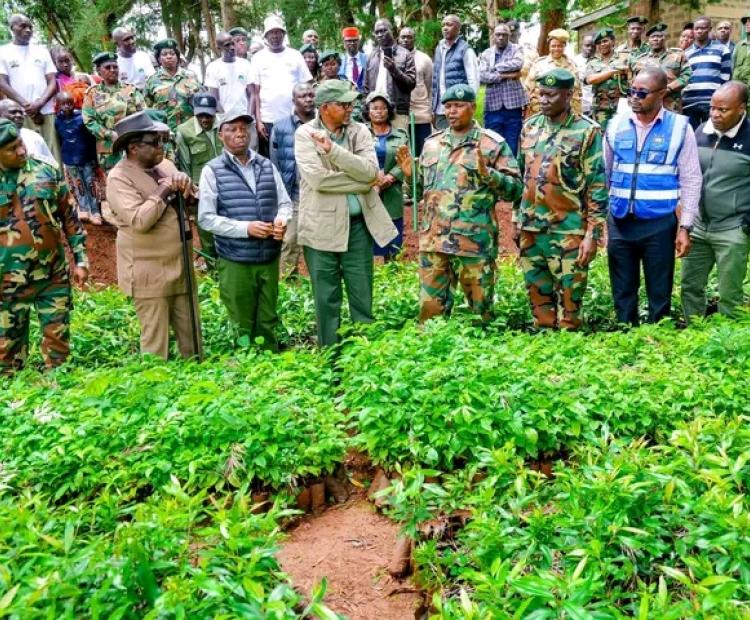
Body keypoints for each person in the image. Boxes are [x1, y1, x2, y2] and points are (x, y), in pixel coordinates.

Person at [397, 84, 522, 323]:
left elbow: (516, 190)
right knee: (430, 314)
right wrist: (410, 175)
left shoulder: (491, 144)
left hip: (473, 243)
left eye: (458, 106)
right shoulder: (432, 144)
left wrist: (489, 176)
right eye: (448, 106)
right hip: (434, 242)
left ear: (473, 108)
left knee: (480, 314)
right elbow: (423, 188)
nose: (452, 111)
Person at [295, 80, 397, 347]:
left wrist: (333, 151)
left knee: (362, 296)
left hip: (358, 227)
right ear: (324, 107)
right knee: (326, 299)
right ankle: (331, 357)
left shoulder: (359, 131)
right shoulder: (304, 134)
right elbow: (318, 180)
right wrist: (363, 183)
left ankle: (364, 355)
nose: (350, 107)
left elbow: (371, 171)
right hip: (320, 229)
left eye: (351, 103)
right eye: (343, 104)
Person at [604, 67, 702, 326]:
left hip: (659, 224)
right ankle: (626, 337)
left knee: (660, 291)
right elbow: (604, 173)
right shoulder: (615, 126)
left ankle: (659, 340)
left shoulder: (680, 128)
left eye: (642, 93)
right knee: (622, 291)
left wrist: (685, 227)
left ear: (661, 94)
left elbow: (691, 179)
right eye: (631, 91)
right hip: (620, 220)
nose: (634, 97)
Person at [515, 68, 607, 330]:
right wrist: (515, 218)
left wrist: (592, 233)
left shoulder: (586, 132)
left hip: (568, 230)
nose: (543, 100)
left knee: (570, 301)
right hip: (531, 228)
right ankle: (543, 343)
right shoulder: (529, 128)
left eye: (550, 95)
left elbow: (597, 186)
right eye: (540, 94)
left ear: (568, 95)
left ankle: (568, 350)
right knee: (537, 295)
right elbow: (523, 178)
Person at [107, 111, 201, 359]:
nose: (162, 146)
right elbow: (139, 221)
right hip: (149, 272)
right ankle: (158, 390)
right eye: (155, 141)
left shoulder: (166, 166)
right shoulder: (118, 178)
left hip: (181, 266)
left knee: (192, 338)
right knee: (156, 344)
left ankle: (197, 384)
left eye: (162, 140)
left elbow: (191, 204)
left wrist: (189, 190)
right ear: (134, 148)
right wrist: (164, 188)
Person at [0, 118, 88, 375]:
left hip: (52, 276)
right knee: (6, 357)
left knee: (58, 350)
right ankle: (15, 405)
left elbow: (70, 219)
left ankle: (59, 393)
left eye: (20, 144)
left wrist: (81, 260)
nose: (20, 151)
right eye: (11, 149)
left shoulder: (46, 172)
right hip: (6, 284)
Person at [198, 112, 292, 352]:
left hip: (268, 257)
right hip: (236, 258)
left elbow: (284, 203)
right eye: (232, 129)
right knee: (241, 319)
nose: (240, 134)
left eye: (244, 129)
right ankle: (245, 364)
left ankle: (270, 363)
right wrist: (246, 229)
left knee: (268, 315)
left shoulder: (266, 165)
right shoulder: (212, 170)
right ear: (221, 136)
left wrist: (281, 220)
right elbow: (206, 219)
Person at [681, 81, 750, 320]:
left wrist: (746, 224)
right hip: (698, 226)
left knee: (730, 293)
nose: (715, 114)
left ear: (742, 109)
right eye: (712, 108)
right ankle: (693, 335)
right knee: (690, 286)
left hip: (732, 229)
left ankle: (728, 344)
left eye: (723, 110)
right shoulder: (701, 131)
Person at [249, 16, 313, 157]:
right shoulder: (258, 58)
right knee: (271, 159)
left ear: (283, 34)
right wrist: (258, 121)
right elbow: (256, 93)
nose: (275, 36)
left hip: (293, 117)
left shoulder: (295, 55)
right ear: (266, 36)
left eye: (278, 32)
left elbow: (307, 85)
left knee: (295, 157)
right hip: (268, 120)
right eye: (271, 33)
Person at [0, 14, 60, 163]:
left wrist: (39, 104)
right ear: (12, 28)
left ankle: (58, 186)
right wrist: (27, 106)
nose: (28, 30)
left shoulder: (42, 51)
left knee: (53, 155)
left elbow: (52, 81)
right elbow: (2, 82)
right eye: (23, 26)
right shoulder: (3, 52)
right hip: (19, 114)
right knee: (26, 153)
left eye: (30, 27)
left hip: (47, 111)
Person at [270, 83, 316, 277]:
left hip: (319, 192)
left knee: (318, 242)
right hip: (294, 193)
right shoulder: (280, 127)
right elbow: (274, 163)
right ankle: (289, 286)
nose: (308, 99)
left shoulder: (324, 123)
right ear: (293, 100)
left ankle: (317, 283)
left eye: (311, 95)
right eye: (302, 96)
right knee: (290, 241)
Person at [82, 52, 146, 175]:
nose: (112, 70)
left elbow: (143, 114)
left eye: (115, 67)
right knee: (114, 184)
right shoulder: (92, 94)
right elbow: (89, 121)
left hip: (132, 146)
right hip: (108, 150)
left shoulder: (131, 90)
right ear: (99, 71)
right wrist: (108, 134)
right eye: (107, 67)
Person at [175, 93, 222, 260]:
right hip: (201, 189)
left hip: (226, 184)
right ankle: (212, 269)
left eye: (208, 115)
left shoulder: (224, 125)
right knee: (207, 233)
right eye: (200, 115)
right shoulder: (184, 132)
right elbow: (185, 164)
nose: (205, 119)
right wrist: (191, 192)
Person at [363, 92, 409, 261]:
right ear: (368, 111)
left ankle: (393, 265)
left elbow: (405, 160)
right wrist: (374, 179)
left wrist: (389, 177)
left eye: (383, 108)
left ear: (389, 111)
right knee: (369, 227)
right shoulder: (360, 133)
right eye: (375, 108)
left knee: (393, 227)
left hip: (392, 189)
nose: (379, 111)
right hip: (368, 188)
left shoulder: (401, 134)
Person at [478, 23, 527, 156]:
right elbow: (482, 75)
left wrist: (494, 67)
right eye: (498, 34)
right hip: (492, 107)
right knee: (492, 145)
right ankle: (495, 174)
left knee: (512, 145)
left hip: (513, 107)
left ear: (509, 36)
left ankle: (512, 173)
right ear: (493, 36)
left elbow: (518, 63)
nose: (500, 37)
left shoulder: (516, 49)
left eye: (504, 35)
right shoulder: (486, 53)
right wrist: (507, 75)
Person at [55, 91, 101, 225]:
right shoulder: (57, 121)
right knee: (77, 185)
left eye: (69, 103)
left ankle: (95, 212)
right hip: (69, 159)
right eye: (63, 104)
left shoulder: (81, 118)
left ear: (73, 102)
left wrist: (94, 159)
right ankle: (83, 209)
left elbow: (91, 140)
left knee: (91, 184)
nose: (67, 106)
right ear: (58, 105)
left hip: (85, 158)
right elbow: (59, 140)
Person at [364, 19, 416, 131]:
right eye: (376, 32)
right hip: (375, 112)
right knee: (376, 147)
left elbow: (411, 84)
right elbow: (366, 87)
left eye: (383, 31)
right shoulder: (372, 56)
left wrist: (394, 70)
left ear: (391, 31)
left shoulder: (405, 54)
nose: (379, 35)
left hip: (398, 111)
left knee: (399, 147)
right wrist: (368, 108)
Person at [683, 16, 732, 129]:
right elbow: (683, 77)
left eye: (703, 28)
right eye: (697, 28)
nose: (699, 31)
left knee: (710, 136)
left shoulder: (722, 49)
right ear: (693, 31)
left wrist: (719, 98)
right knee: (691, 136)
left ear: (710, 29)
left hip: (712, 103)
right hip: (689, 102)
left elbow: (726, 77)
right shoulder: (686, 53)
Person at [432, 15, 479, 129]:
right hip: (441, 108)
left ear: (458, 28)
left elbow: (474, 80)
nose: (445, 28)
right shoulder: (439, 48)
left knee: (459, 142)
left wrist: (469, 104)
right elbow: (435, 80)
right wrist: (432, 107)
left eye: (449, 25)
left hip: (458, 107)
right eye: (443, 25)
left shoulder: (465, 49)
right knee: (442, 143)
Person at [631, 23, 691, 113]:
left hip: (671, 105)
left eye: (659, 36)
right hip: (649, 105)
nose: (656, 39)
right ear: (649, 40)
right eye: (653, 37)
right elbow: (634, 82)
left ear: (665, 38)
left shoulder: (677, 55)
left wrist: (670, 88)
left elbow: (687, 76)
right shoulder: (640, 60)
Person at [145, 39, 202, 132]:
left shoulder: (191, 76)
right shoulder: (152, 81)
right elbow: (149, 109)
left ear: (177, 56)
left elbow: (200, 101)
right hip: (165, 132)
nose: (169, 57)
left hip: (191, 131)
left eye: (172, 53)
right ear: (159, 59)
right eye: (164, 54)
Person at [525, 29, 581, 118]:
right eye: (553, 46)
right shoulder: (539, 64)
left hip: (565, 113)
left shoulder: (572, 66)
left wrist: (577, 114)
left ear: (564, 46)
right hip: (541, 110)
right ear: (549, 46)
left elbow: (577, 92)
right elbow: (529, 89)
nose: (556, 49)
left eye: (559, 46)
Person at [398, 27, 433, 156]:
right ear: (398, 39)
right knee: (403, 153)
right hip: (400, 114)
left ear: (414, 39)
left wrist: (429, 108)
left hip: (420, 114)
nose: (406, 40)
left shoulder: (424, 59)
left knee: (423, 152)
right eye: (403, 37)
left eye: (409, 37)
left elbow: (429, 85)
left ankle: (423, 176)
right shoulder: (393, 58)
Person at [585, 28, 629, 132]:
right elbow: (590, 79)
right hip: (601, 108)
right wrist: (613, 72)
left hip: (621, 106)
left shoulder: (625, 57)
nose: (602, 45)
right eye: (599, 43)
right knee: (602, 136)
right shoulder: (592, 62)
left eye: (605, 41)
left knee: (622, 134)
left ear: (613, 42)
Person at [204, 32, 254, 118]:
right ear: (218, 48)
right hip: (225, 120)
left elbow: (252, 94)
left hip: (245, 117)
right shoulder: (213, 67)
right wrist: (226, 118)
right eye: (227, 45)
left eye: (233, 43)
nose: (232, 47)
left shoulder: (245, 64)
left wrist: (248, 116)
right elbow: (214, 98)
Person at [0, 99, 57, 166]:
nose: (19, 115)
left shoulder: (34, 136)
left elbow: (50, 164)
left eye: (21, 112)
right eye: (13, 112)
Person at [52, 47, 93, 112]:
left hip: (87, 112)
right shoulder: (54, 82)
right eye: (60, 62)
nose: (65, 65)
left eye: (67, 60)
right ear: (55, 63)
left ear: (72, 60)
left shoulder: (83, 77)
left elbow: (94, 95)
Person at [340, 27, 367, 92]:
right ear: (344, 43)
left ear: (359, 42)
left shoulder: (368, 59)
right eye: (349, 41)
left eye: (355, 40)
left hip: (365, 95)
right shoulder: (340, 61)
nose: (352, 43)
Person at [573, 35, 595, 116]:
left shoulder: (599, 61)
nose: (590, 48)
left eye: (593, 46)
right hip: (579, 104)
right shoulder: (573, 61)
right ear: (582, 45)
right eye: (587, 45)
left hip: (594, 105)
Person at [732, 15, 750, 88]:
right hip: (739, 90)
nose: (747, 24)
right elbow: (733, 67)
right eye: (746, 22)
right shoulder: (739, 46)